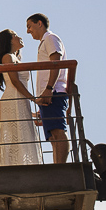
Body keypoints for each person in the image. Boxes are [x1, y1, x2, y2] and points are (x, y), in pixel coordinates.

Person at [0, 29, 43, 165]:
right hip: (13, 97)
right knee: (16, 135)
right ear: (9, 40)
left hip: (20, 99)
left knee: (23, 133)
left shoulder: (16, 58)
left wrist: (31, 112)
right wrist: (34, 99)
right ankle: (14, 166)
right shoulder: (8, 57)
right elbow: (15, 81)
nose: (20, 37)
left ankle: (23, 165)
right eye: (15, 36)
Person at [26, 12, 70, 164]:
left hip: (54, 92)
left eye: (29, 26)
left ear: (40, 23)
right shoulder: (44, 42)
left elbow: (55, 62)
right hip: (48, 95)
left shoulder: (51, 38)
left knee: (58, 132)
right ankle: (58, 166)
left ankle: (60, 168)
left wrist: (49, 88)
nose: (28, 31)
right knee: (52, 136)